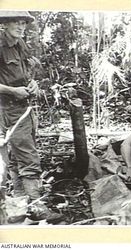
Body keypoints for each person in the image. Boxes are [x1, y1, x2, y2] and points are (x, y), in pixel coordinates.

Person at [0, 11, 63, 223]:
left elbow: (28, 74)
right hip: (5, 108)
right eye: (15, 23)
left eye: (23, 23)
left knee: (21, 157)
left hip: (23, 107)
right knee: (22, 157)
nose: (20, 26)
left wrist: (32, 85)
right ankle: (37, 206)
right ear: (5, 24)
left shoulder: (21, 46)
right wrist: (11, 90)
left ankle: (21, 204)